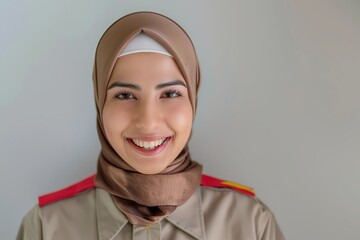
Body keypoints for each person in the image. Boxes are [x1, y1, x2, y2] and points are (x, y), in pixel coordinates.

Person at [16, 11, 285, 240]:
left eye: (169, 94)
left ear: (193, 99)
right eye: (124, 95)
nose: (148, 121)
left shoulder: (250, 223)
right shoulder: (45, 227)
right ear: (100, 103)